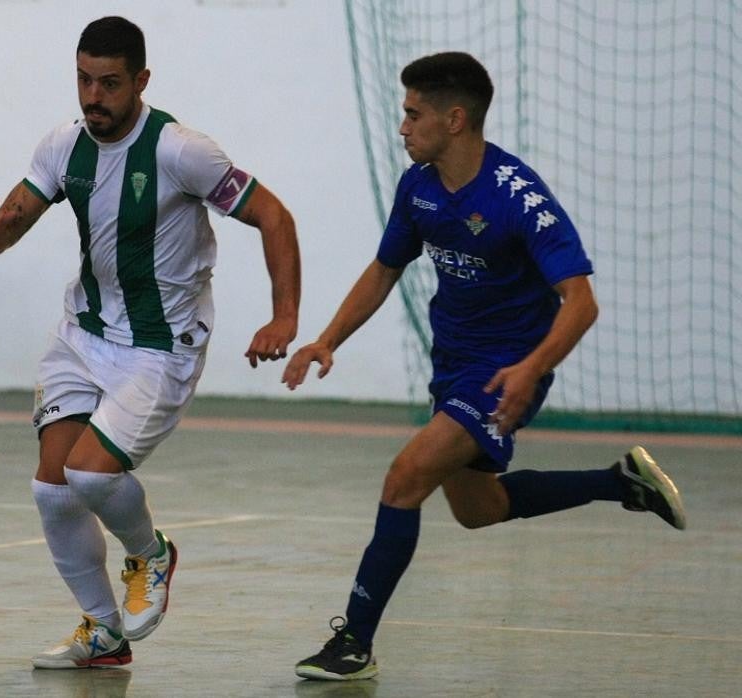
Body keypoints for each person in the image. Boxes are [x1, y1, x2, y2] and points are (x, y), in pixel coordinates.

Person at [282, 51, 686, 681]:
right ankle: (621, 482)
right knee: (480, 509)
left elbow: (580, 303)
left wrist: (530, 370)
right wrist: (328, 339)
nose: (403, 127)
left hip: (502, 373)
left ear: (456, 118)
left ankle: (353, 644)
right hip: (454, 366)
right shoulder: (417, 187)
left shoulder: (516, 197)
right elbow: (386, 268)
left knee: (404, 477)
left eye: (414, 115)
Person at [0, 16, 300, 669]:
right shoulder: (63, 147)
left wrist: (284, 317)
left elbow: (273, 216)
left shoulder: (180, 151)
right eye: (84, 80)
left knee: (90, 471)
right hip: (83, 334)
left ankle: (151, 554)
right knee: (54, 489)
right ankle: (102, 633)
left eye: (110, 83)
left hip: (160, 346)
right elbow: (6, 229)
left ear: (141, 81)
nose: (94, 97)